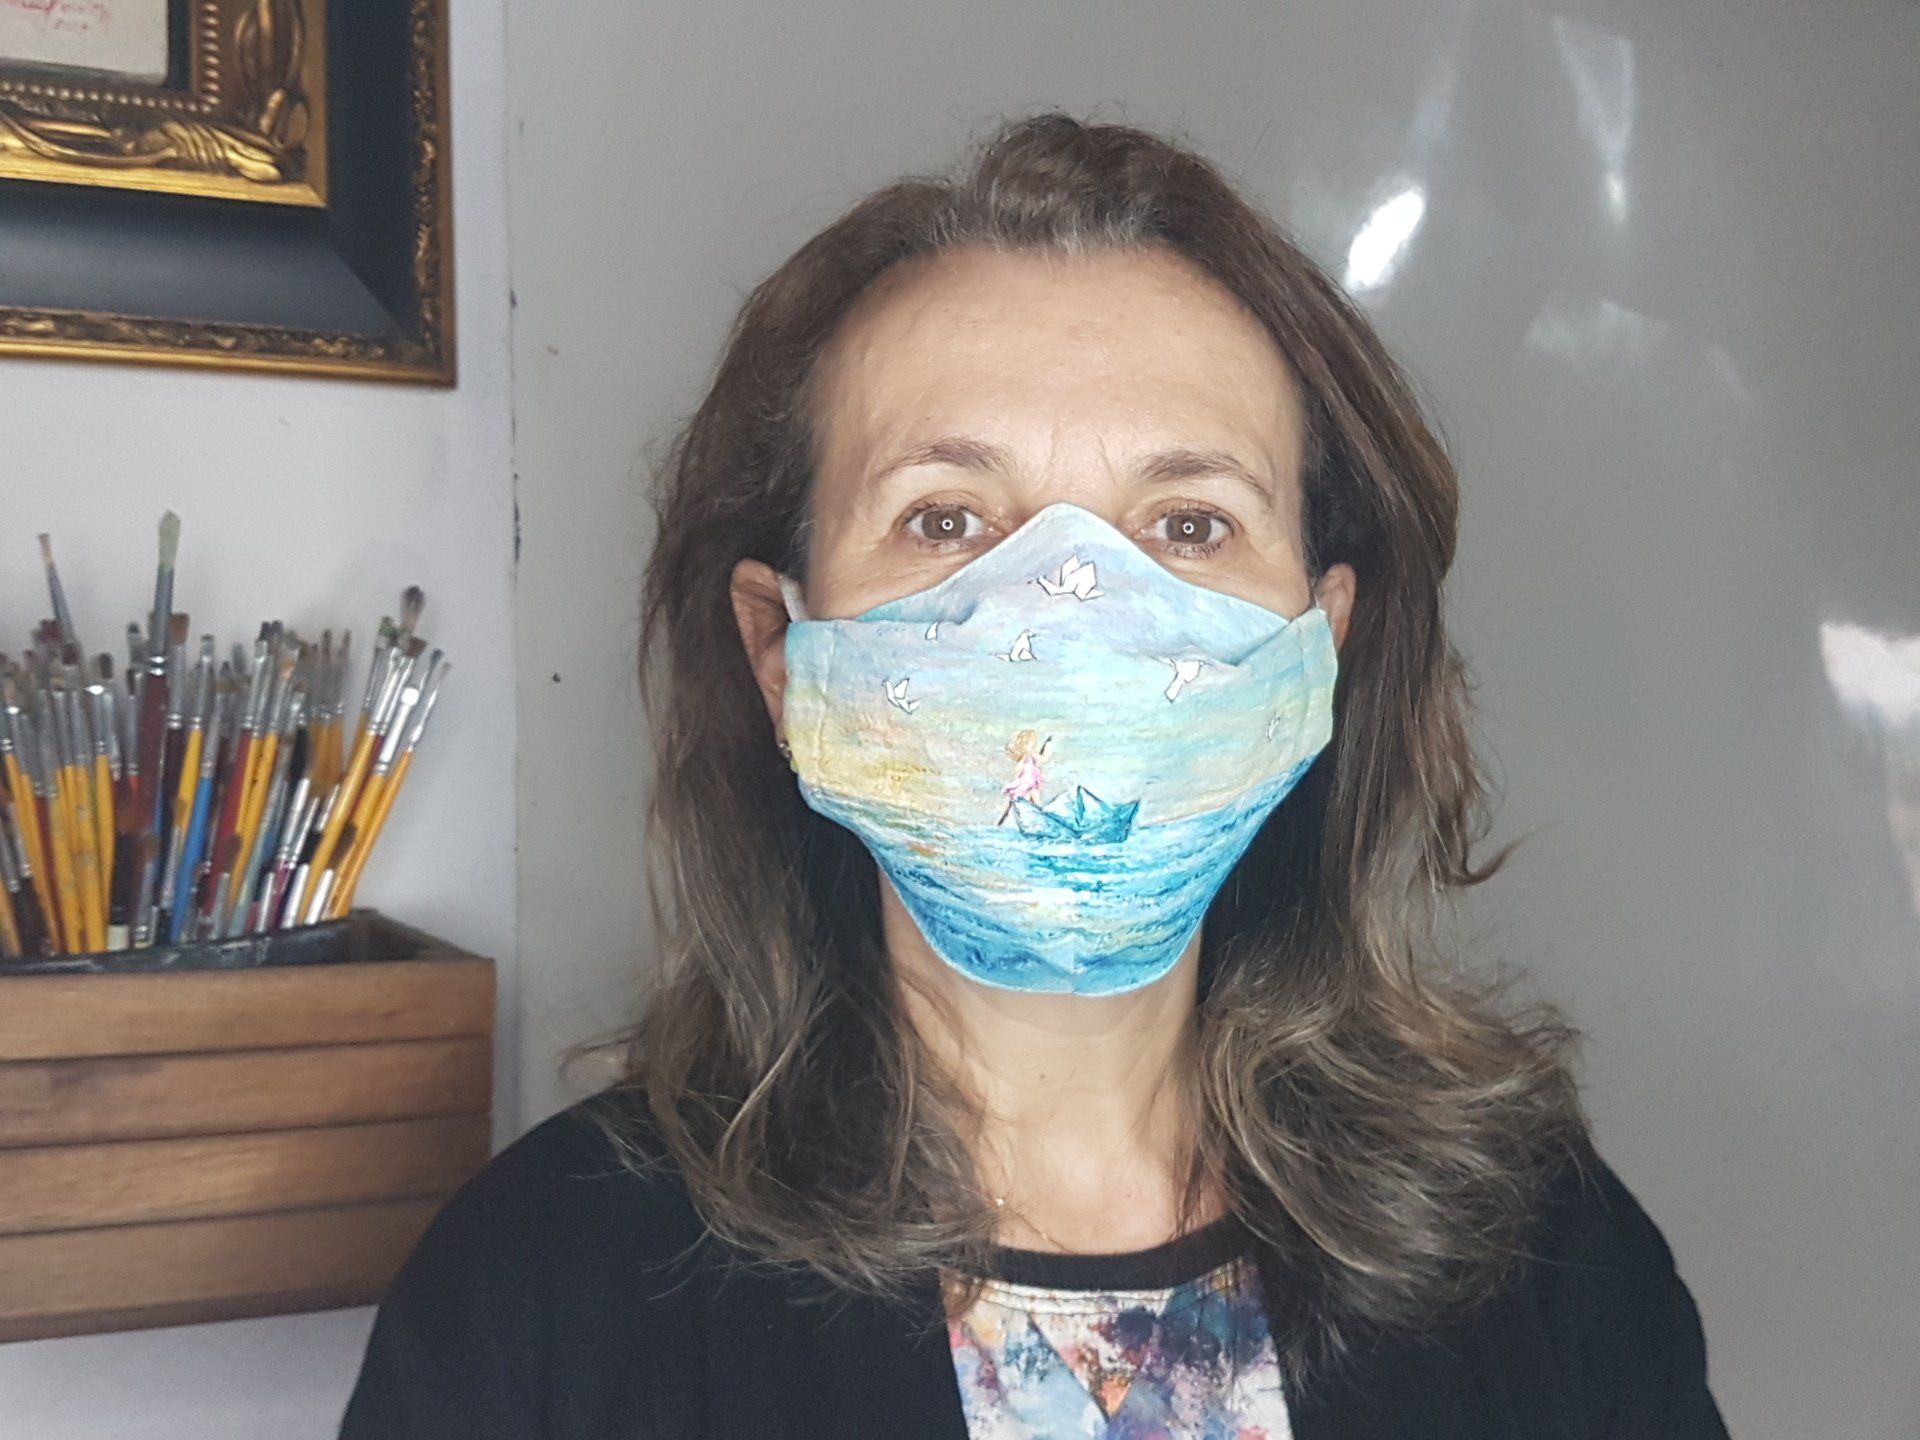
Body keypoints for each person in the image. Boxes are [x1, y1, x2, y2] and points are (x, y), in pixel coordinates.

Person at [339, 113, 1729, 1438]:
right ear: (780, 648)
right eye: (947, 519)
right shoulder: (536, 1302)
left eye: (1189, 525)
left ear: (1321, 648)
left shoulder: (1541, 1253)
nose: (1071, 607)